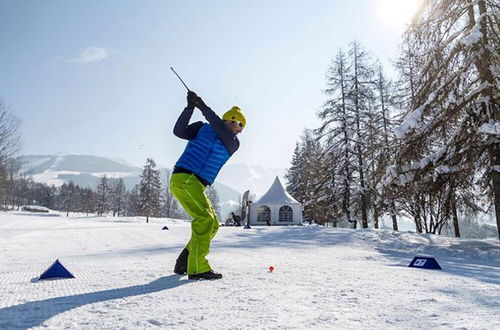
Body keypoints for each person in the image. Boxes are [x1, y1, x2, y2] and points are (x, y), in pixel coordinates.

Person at [171, 91, 246, 280]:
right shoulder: (201, 128)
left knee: (212, 224)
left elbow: (219, 128)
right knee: (204, 219)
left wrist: (201, 105)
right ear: (230, 120)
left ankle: (185, 262)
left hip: (195, 184)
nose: (241, 130)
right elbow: (179, 131)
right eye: (240, 124)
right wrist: (190, 108)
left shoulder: (232, 142)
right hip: (186, 178)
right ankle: (198, 268)